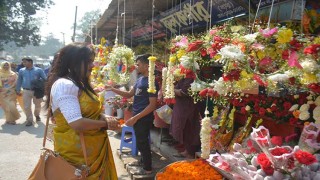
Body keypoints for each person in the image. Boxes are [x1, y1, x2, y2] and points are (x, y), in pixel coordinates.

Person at [45, 42, 118, 179]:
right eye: (88, 62)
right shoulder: (65, 85)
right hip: (77, 157)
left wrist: (104, 117)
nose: (92, 66)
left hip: (93, 153)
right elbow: (76, 123)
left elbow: (88, 111)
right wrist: (105, 124)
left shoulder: (80, 83)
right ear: (74, 62)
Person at [106, 54, 158, 175]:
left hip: (143, 117)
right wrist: (112, 89)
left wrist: (135, 118)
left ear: (146, 66)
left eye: (138, 64)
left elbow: (152, 105)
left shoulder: (152, 82)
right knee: (140, 141)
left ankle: (147, 168)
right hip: (137, 116)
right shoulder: (140, 79)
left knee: (143, 142)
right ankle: (142, 162)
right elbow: (129, 94)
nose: (136, 66)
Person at [171, 77, 201, 159]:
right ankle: (186, 151)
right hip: (183, 107)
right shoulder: (185, 76)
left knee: (189, 129)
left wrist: (172, 90)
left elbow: (184, 92)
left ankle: (190, 153)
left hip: (188, 108)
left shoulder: (190, 77)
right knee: (183, 130)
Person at [15, 57, 47, 126]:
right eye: (23, 62)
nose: (23, 63)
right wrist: (17, 89)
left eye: (25, 62)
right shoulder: (21, 70)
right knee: (26, 106)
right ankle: (29, 120)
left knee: (38, 105)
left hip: (37, 91)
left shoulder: (39, 70)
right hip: (26, 91)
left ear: (30, 62)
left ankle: (37, 115)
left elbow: (45, 79)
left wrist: (39, 83)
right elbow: (19, 80)